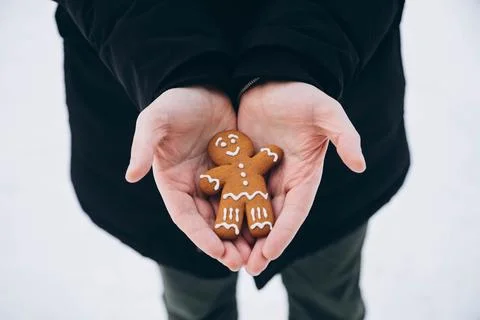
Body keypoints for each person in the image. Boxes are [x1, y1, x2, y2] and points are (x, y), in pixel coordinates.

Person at [53, 0, 409, 319]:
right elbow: (211, 180)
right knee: (195, 304)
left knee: (329, 296)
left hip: (326, 148)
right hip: (160, 147)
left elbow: (262, 159)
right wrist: (166, 67)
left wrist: (303, 56)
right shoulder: (226, 166)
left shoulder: (251, 163)